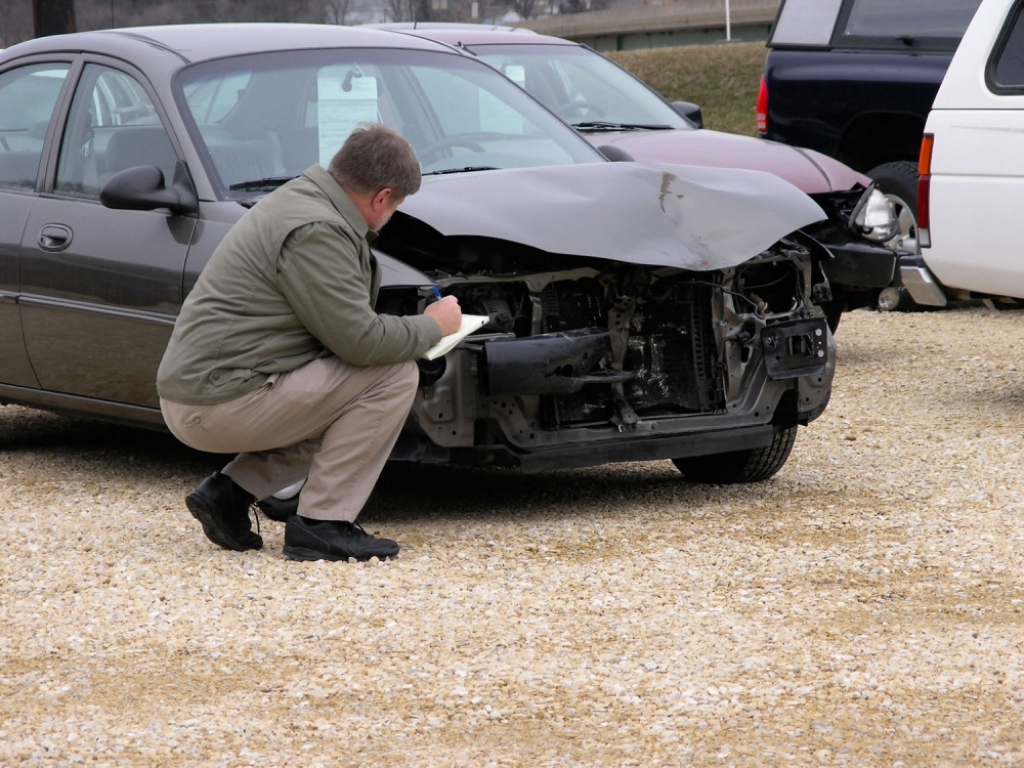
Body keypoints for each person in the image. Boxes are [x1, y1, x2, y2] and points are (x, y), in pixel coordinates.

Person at [157, 124, 461, 562]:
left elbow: (336, 336)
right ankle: (323, 523)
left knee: (355, 393)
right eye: (396, 204)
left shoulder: (303, 198)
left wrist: (408, 340)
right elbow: (359, 342)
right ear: (382, 197)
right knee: (391, 376)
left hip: (211, 391)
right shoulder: (318, 228)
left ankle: (229, 493)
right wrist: (433, 328)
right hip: (214, 403)